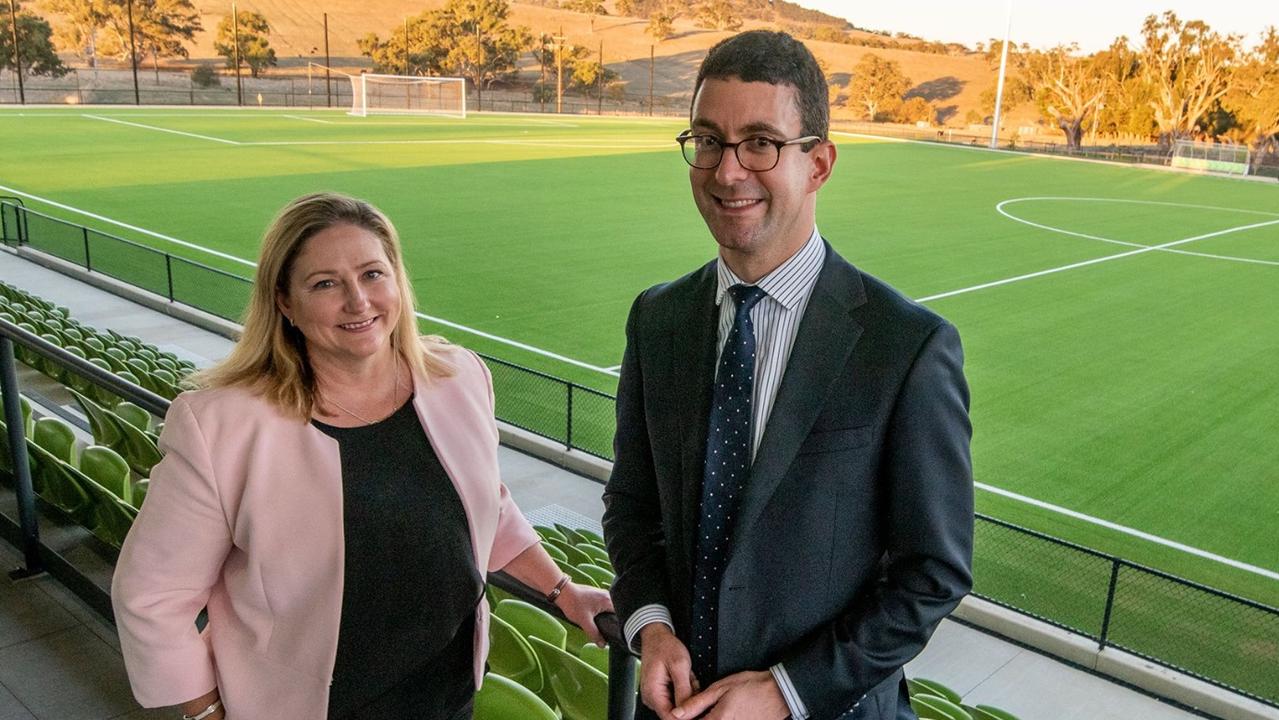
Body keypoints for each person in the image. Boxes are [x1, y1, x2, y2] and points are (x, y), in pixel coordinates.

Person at [112, 192, 612, 720]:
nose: (359, 301)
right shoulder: (223, 426)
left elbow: (487, 507)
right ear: (284, 302)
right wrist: (205, 714)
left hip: (447, 695)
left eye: (373, 274)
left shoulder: (459, 378)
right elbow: (150, 596)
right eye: (325, 283)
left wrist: (561, 589)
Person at [602, 31, 973, 720]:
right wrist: (649, 625)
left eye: (761, 143)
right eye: (708, 140)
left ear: (819, 164)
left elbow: (932, 574)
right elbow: (633, 508)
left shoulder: (906, 347)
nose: (727, 171)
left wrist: (788, 691)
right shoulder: (657, 319)